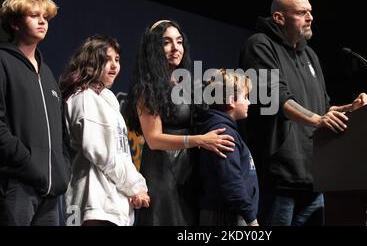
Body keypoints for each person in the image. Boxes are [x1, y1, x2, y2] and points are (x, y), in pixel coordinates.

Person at [239, 0, 367, 226]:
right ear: (279, 18)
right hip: (278, 179)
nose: (310, 17)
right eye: (302, 13)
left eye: (310, 11)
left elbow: (322, 109)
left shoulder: (310, 54)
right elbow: (277, 98)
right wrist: (318, 120)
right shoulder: (259, 45)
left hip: (313, 178)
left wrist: (351, 108)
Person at [125, 20, 235, 226]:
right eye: (167, 42)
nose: (176, 48)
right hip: (163, 174)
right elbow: (154, 139)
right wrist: (200, 140)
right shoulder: (147, 89)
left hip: (190, 172)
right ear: (154, 48)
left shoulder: (188, 84)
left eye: (179, 41)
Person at [60, 35, 150, 226]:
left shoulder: (107, 99)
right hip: (92, 204)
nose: (114, 66)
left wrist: (134, 188)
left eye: (116, 60)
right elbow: (100, 153)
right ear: (91, 63)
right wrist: (134, 186)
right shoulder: (84, 97)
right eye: (106, 60)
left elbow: (121, 154)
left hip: (113, 206)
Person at [0, 0, 71, 225]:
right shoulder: (3, 61)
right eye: (34, 15)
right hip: (16, 185)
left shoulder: (48, 74)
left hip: (50, 193)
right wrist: (26, 163)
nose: (42, 22)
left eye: (45, 17)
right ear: (15, 22)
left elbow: (61, 132)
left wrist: (62, 170)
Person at [196, 69, 259, 226]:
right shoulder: (223, 134)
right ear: (232, 101)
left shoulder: (225, 130)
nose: (248, 102)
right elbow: (231, 180)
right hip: (225, 218)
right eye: (245, 97)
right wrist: (251, 219)